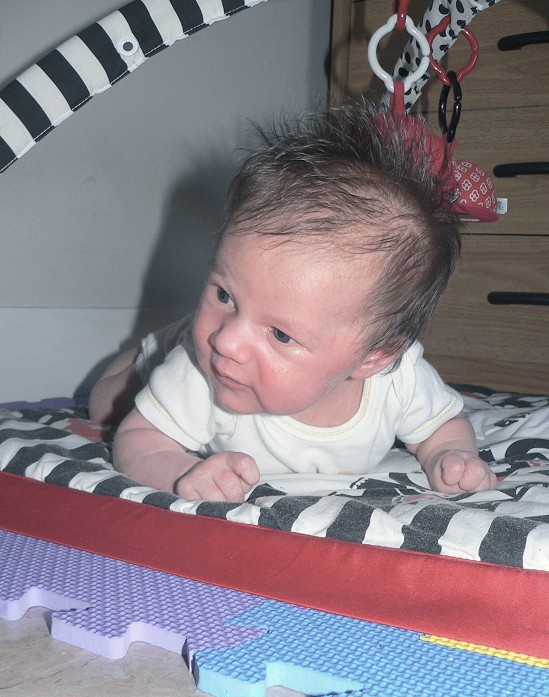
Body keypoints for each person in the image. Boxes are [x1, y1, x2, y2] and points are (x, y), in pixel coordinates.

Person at [89, 100, 497, 502]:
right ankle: (145, 354)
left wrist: (450, 455)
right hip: (174, 351)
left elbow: (442, 426)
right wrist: (180, 471)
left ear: (375, 357)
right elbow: (139, 440)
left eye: (281, 335)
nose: (226, 341)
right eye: (224, 294)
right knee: (105, 407)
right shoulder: (199, 370)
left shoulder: (399, 380)